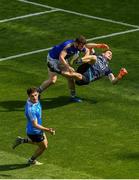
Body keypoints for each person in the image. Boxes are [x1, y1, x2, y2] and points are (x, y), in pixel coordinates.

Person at [37, 35, 90, 103]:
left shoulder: (79, 46)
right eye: (81, 46)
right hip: (53, 59)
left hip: (63, 59)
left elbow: (87, 50)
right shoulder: (68, 46)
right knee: (53, 80)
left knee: (70, 77)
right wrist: (68, 67)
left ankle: (73, 97)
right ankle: (38, 92)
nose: (82, 48)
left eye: (83, 46)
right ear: (76, 43)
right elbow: (61, 57)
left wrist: (83, 59)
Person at [12, 87, 55, 165]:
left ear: (38, 94)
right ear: (29, 97)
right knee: (43, 147)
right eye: (32, 96)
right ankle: (31, 160)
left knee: (43, 143)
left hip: (37, 128)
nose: (35, 97)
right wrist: (47, 130)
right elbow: (35, 125)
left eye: (36, 95)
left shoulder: (35, 99)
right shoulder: (31, 110)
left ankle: (22, 140)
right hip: (34, 131)